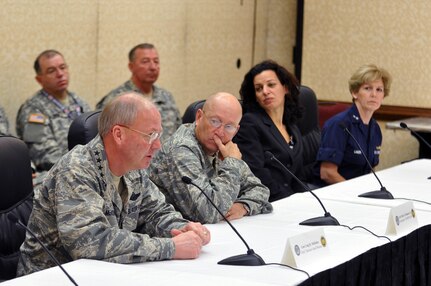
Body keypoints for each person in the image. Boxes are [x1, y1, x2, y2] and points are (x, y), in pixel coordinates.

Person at [17, 93, 210, 276]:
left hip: (101, 273)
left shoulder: (134, 165)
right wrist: (170, 247)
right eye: (151, 135)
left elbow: (155, 213)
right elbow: (88, 242)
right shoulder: (77, 168)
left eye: (159, 135)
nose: (158, 145)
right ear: (118, 134)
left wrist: (184, 229)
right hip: (52, 277)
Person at [149, 92, 273, 224]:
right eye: (215, 121)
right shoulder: (181, 148)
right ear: (199, 117)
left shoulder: (225, 149)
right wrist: (232, 164)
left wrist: (243, 206)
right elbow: (208, 213)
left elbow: (260, 190)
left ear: (236, 130)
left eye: (229, 126)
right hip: (172, 234)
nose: (220, 132)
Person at [233, 60, 308, 202]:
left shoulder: (291, 125)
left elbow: (299, 174)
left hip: (294, 200)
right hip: (270, 201)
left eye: (271, 85)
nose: (265, 92)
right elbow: (256, 173)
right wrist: (288, 201)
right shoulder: (250, 123)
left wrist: (305, 200)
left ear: (285, 88)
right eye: (259, 88)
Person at [313, 64, 392, 186]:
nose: (374, 95)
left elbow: (369, 169)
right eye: (367, 88)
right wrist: (353, 191)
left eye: (379, 90)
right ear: (355, 92)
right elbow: (327, 173)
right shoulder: (339, 125)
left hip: (356, 191)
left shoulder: (375, 128)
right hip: (331, 192)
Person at [16, 50, 91, 172]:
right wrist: (84, 166)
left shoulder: (79, 102)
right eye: (51, 71)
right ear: (39, 79)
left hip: (88, 170)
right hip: (56, 177)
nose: (60, 74)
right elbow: (42, 154)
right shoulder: (34, 110)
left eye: (63, 67)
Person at [96, 43, 181, 142]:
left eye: (156, 61)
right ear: (131, 66)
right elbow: (106, 141)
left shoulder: (166, 96)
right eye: (145, 62)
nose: (153, 67)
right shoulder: (117, 100)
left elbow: (178, 133)